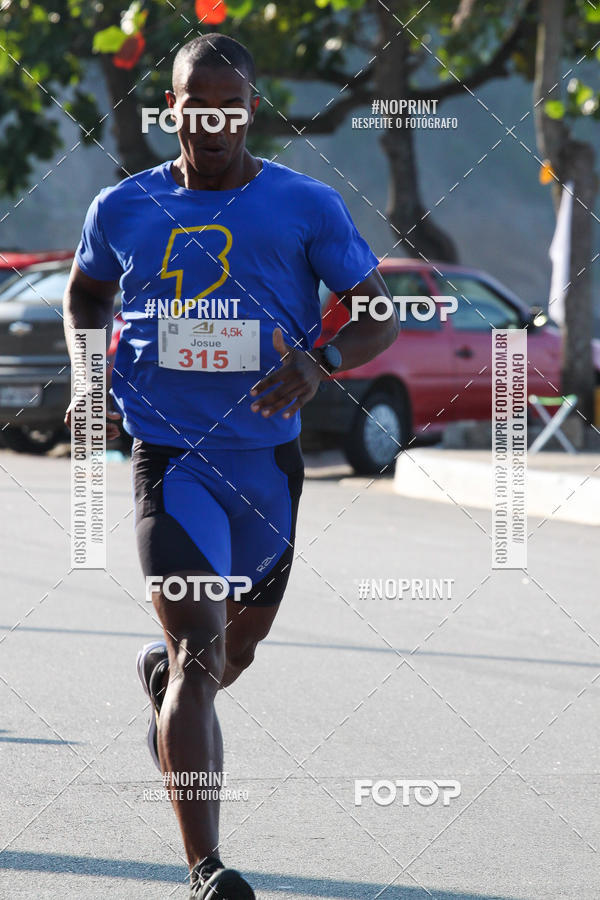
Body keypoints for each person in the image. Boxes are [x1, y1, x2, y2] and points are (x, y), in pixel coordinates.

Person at [63, 32, 398, 900]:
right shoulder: (122, 207)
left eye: (228, 106)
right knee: (201, 659)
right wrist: (86, 373)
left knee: (231, 655)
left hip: (267, 469)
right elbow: (87, 290)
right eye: (192, 106)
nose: (210, 123)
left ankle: (162, 680)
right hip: (169, 458)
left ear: (252, 108)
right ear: (169, 107)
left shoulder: (304, 206)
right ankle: (206, 866)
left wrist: (320, 359)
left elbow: (377, 313)